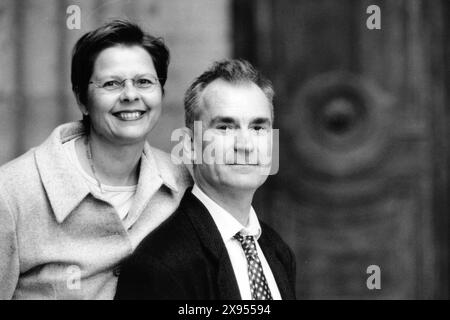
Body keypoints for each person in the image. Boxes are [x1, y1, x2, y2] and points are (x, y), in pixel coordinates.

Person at [0, 19, 192, 299]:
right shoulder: (12, 192)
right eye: (111, 83)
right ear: (82, 100)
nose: (130, 95)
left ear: (161, 93)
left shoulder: (182, 181)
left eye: (144, 82)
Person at [115, 59, 296, 300]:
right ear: (189, 145)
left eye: (258, 128)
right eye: (224, 127)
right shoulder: (158, 266)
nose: (245, 145)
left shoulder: (278, 251)